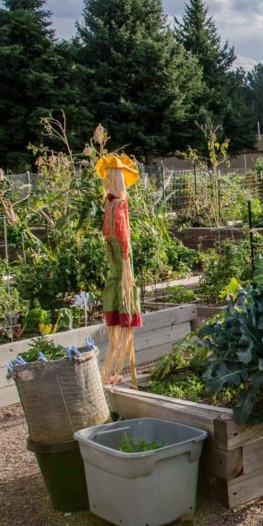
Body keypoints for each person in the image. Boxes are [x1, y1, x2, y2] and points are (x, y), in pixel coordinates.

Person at [96, 154, 142, 386]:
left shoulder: (109, 205)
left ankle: (114, 367)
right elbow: (123, 238)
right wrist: (125, 262)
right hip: (123, 268)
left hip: (115, 269)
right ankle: (126, 371)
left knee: (119, 315)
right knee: (126, 315)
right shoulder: (120, 205)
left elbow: (108, 235)